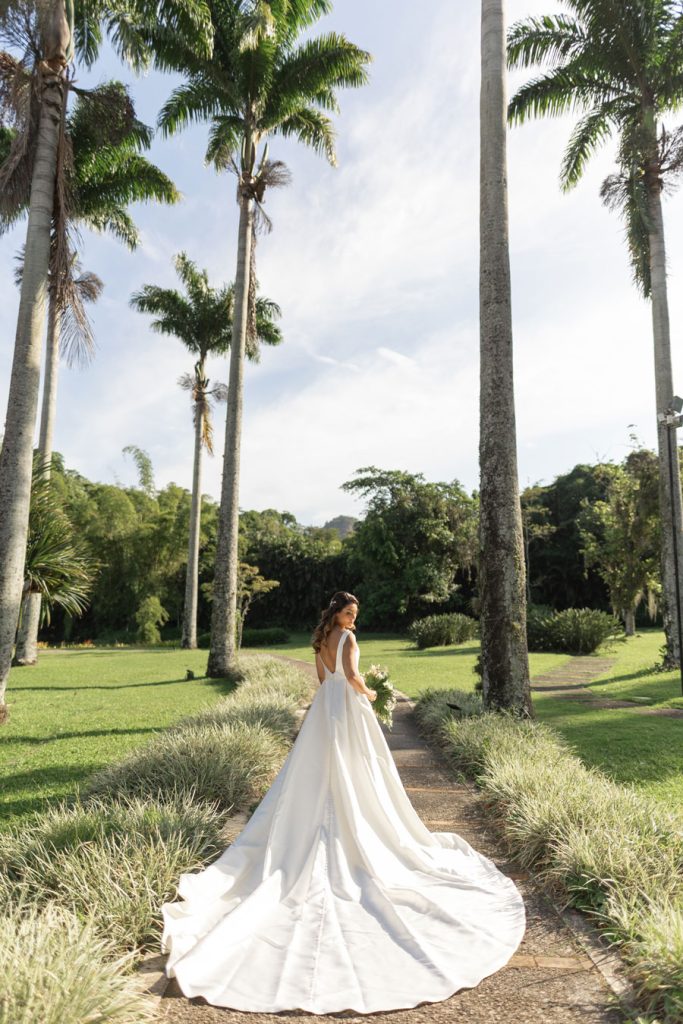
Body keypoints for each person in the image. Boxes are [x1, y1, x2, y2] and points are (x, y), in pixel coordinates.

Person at [160, 590, 526, 1014]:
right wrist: (371, 694)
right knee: (358, 768)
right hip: (347, 708)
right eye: (349, 613)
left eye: (355, 614)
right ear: (337, 614)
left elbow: (323, 681)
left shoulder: (318, 641)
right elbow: (352, 677)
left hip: (324, 710)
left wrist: (350, 687)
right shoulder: (348, 641)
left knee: (317, 771)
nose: (354, 620)